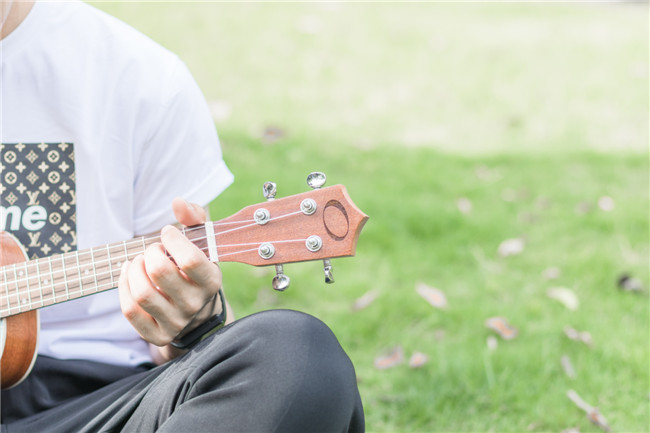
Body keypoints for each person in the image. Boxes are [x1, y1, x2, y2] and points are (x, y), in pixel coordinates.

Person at [0, 1, 365, 431]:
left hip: (92, 406)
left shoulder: (140, 79)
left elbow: (179, 349)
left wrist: (191, 319)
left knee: (295, 357)